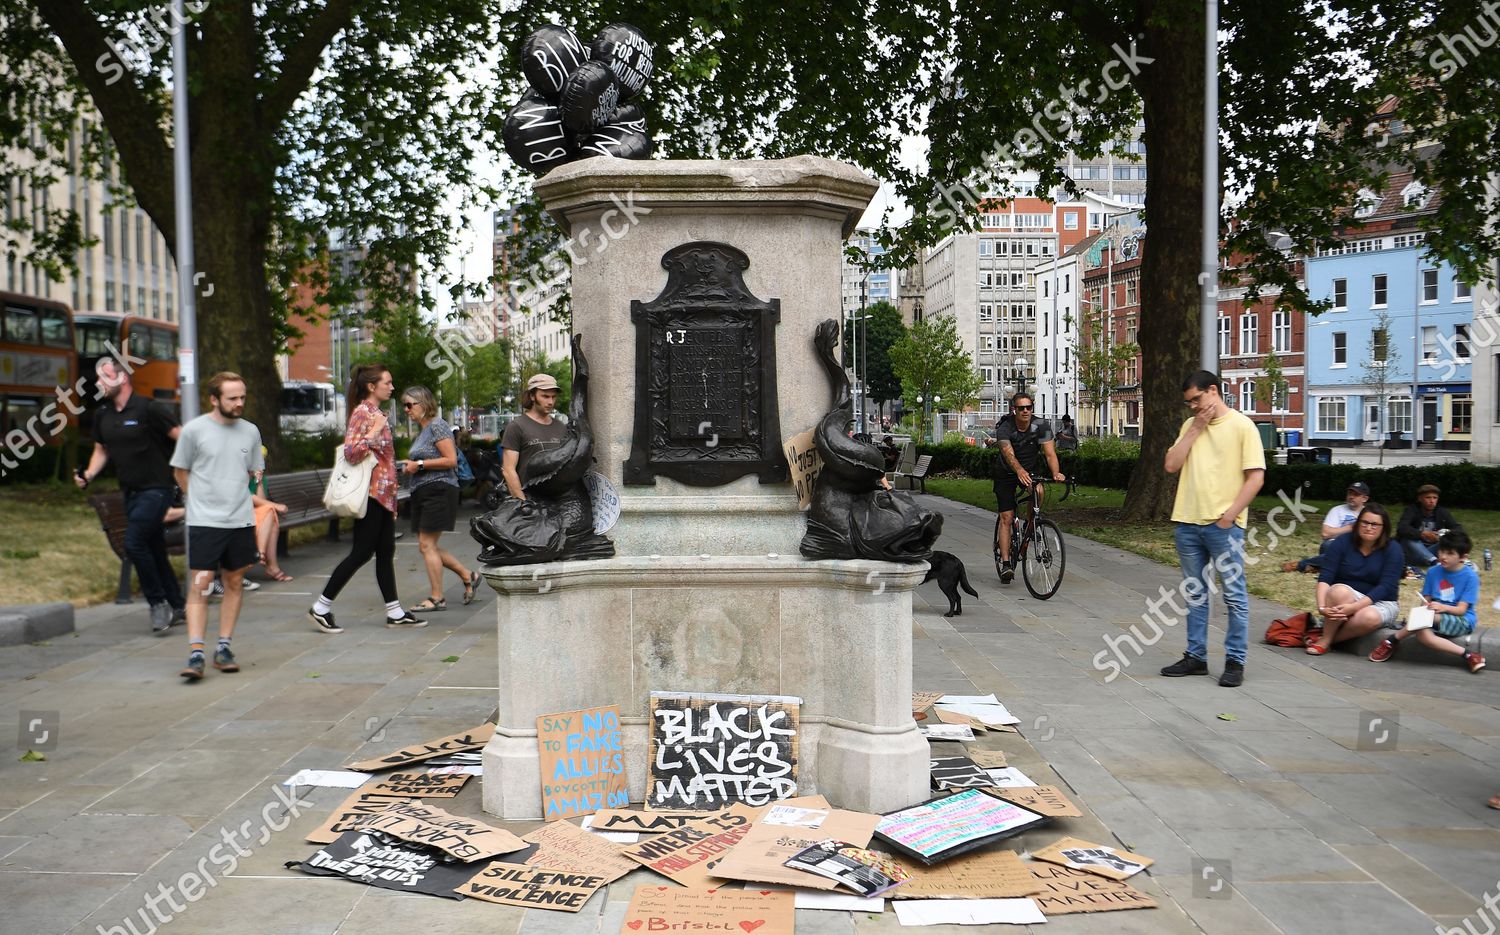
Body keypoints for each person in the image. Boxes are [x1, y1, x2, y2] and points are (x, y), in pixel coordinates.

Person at [1161, 371, 1265, 688]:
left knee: (1234, 597)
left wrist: (1229, 516)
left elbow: (1256, 477)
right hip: (1188, 523)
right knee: (1195, 595)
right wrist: (1195, 428)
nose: (1193, 406)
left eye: (1197, 399)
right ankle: (1196, 657)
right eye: (1188, 402)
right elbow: (1170, 465)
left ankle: (1235, 661)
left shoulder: (1242, 426)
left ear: (1213, 391)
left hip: (1224, 526)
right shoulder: (1190, 426)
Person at [307, 363, 426, 634]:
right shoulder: (363, 413)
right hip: (370, 494)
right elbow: (351, 452)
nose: (392, 387)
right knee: (361, 552)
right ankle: (321, 607)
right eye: (388, 382)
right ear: (372, 386)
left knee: (385, 551)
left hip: (383, 495)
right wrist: (374, 432)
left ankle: (395, 612)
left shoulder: (375, 412)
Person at [76, 356, 186, 634]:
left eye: (104, 377)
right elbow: (102, 450)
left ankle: (158, 603)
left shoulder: (150, 409)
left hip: (158, 489)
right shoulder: (103, 415)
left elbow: (183, 436)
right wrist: (88, 474)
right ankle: (178, 603)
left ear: (121, 378)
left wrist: (187, 474)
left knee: (134, 544)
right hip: (131, 493)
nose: (98, 383)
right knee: (154, 549)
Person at [169, 372, 262, 681]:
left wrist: (245, 496)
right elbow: (180, 471)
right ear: (214, 399)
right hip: (205, 520)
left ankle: (224, 648)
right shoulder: (194, 431)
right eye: (232, 398)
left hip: (240, 520)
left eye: (242, 398)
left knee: (234, 581)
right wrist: (198, 499)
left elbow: (253, 474)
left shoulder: (250, 432)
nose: (239, 403)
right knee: (202, 583)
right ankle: (196, 653)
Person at [400, 385, 481, 611]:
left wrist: (420, 464)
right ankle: (469, 575)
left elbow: (451, 459)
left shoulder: (437, 425)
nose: (406, 410)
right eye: (404, 405)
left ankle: (437, 598)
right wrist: (412, 466)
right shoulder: (424, 430)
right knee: (428, 545)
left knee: (427, 545)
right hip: (424, 490)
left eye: (409, 405)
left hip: (438, 490)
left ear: (424, 404)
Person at [1369, 530, 1485, 672]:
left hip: (1462, 620)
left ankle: (1392, 640)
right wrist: (1427, 606)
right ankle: (1469, 655)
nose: (1443, 556)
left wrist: (1442, 608)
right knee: (1422, 634)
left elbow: (1461, 610)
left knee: (1423, 618)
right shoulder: (1433, 572)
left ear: (1463, 557)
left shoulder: (1470, 577)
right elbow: (1426, 601)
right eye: (1441, 551)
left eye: (1450, 553)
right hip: (1434, 617)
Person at [1305, 503, 1405, 655]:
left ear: (1384, 527)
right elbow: (1326, 576)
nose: (1369, 527)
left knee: (1368, 616)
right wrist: (1322, 607)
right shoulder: (1343, 542)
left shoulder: (1393, 549)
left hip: (1382, 601)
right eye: (1364, 522)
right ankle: (1325, 638)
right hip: (1346, 596)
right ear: (1358, 524)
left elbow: (1386, 587)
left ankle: (1327, 640)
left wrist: (1354, 608)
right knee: (1338, 591)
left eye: (1375, 524)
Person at [991, 392, 1065, 584]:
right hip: (1006, 472)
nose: (1025, 411)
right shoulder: (1005, 427)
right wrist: (1019, 471)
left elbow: (1050, 454)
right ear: (1014, 409)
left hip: (1030, 471)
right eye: (1021, 408)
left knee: (1039, 491)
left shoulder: (1041, 426)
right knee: (1006, 517)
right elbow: (1009, 455)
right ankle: (1007, 564)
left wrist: (1056, 473)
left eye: (1028, 407)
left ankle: (1031, 525)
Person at [500, 373, 569, 500]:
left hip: (557, 503)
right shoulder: (516, 427)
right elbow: (508, 470)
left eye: (554, 397)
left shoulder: (561, 427)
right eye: (545, 396)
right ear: (532, 396)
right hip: (529, 501)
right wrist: (523, 503)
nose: (550, 402)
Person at [1281, 481, 1371, 574]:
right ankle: (1323, 566)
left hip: (1357, 547)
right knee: (1330, 547)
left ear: (1365, 498)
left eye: (1356, 494)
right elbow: (1326, 534)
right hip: (1334, 545)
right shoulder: (1337, 510)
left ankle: (1305, 565)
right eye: (1350, 493)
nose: (1351, 496)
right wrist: (1350, 527)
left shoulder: (1369, 514)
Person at [1396, 484, 1463, 570]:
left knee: (1450, 540)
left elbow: (1458, 528)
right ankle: (1435, 562)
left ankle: (1455, 560)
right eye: (1428, 498)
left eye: (1435, 498)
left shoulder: (1442, 512)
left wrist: (1443, 535)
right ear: (1420, 498)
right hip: (1413, 552)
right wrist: (1422, 534)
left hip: (1431, 550)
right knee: (1408, 539)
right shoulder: (1412, 510)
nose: (1432, 501)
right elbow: (1402, 528)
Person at [250, 452, 292, 582]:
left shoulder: (260, 477)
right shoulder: (240, 474)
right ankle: (271, 565)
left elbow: (261, 500)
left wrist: (259, 482)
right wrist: (276, 505)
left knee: (270, 514)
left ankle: (262, 556)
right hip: (239, 512)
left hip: (255, 513)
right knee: (270, 510)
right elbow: (248, 498)